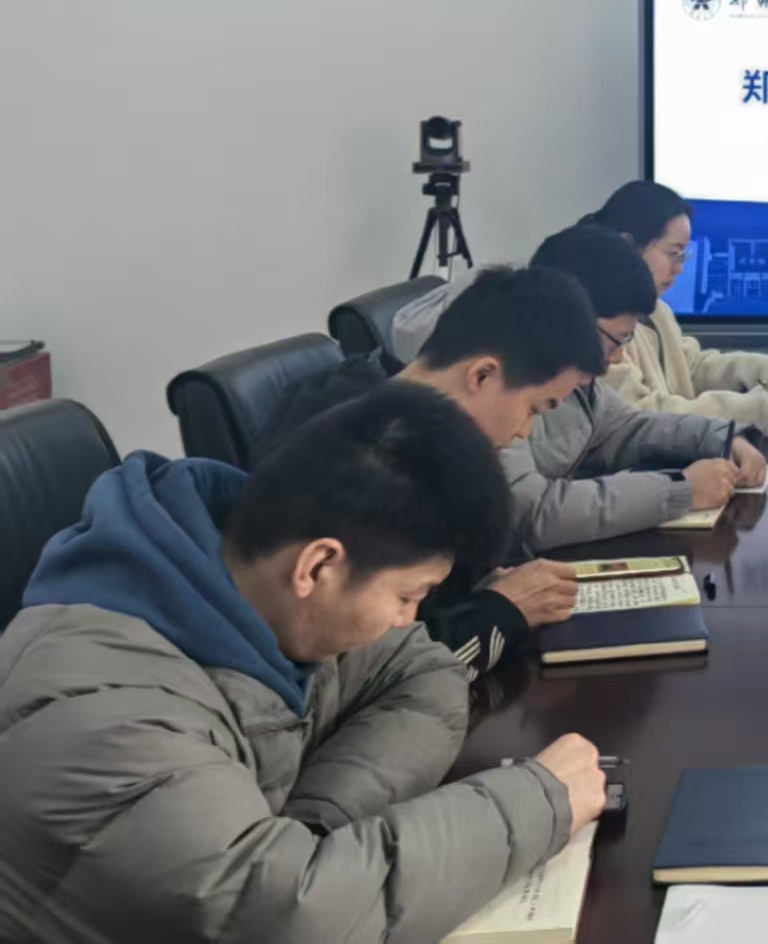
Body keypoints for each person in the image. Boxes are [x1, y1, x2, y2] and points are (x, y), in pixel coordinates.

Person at [0, 385, 608, 943]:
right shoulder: (110, 721)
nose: (408, 619)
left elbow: (424, 670)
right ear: (317, 567)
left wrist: (320, 827)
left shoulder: (256, 595)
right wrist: (535, 802)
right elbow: (284, 917)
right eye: (408, 595)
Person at [266, 265, 602, 676]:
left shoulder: (402, 419)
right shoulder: (363, 461)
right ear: (482, 374)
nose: (524, 432)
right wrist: (501, 612)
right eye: (534, 408)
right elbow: (353, 672)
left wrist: (490, 591)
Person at [393, 224, 768, 550]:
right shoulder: (503, 379)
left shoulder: (549, 377)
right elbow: (530, 513)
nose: (618, 358)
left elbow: (623, 426)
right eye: (617, 340)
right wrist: (680, 490)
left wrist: (722, 438)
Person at [583, 180, 768, 433]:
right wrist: (750, 411)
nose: (680, 269)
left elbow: (691, 368)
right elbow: (637, 412)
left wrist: (763, 373)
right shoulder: (601, 321)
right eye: (673, 253)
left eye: (684, 256)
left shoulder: (658, 311)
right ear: (627, 245)